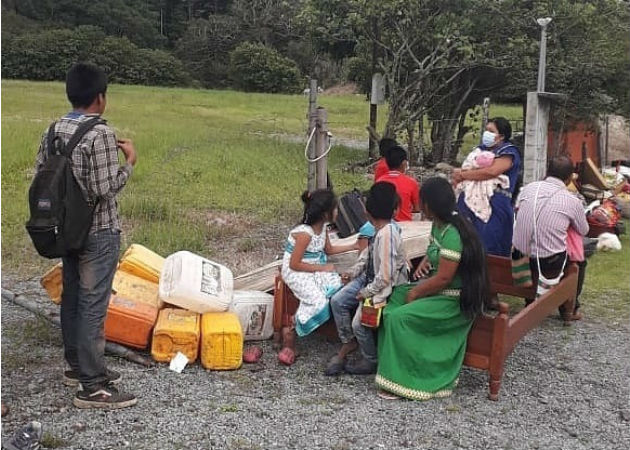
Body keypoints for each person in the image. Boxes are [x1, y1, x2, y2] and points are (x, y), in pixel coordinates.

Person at [34, 63, 137, 409]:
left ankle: (78, 368)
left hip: (67, 230)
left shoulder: (52, 131)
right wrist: (130, 163)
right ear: (100, 98)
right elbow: (104, 188)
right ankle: (92, 387)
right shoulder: (101, 134)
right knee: (94, 304)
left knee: (73, 297)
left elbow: (42, 176)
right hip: (98, 230)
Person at [375, 177, 490, 400]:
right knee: (394, 297)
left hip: (452, 300)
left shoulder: (453, 234)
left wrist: (417, 291)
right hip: (439, 292)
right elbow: (433, 252)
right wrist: (426, 262)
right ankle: (391, 365)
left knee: (401, 317)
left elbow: (444, 278)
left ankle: (408, 379)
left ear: (429, 205)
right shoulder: (438, 227)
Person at [325, 183, 408, 376]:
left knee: (358, 323)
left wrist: (366, 293)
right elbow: (366, 256)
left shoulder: (387, 234)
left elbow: (385, 276)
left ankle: (370, 359)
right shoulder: (377, 229)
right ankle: (349, 342)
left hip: (385, 287)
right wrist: (352, 272)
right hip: (370, 279)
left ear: (368, 210)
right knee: (337, 301)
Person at [279, 189, 358, 366]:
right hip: (297, 271)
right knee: (318, 301)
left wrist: (354, 245)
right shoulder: (304, 233)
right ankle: (291, 327)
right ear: (325, 213)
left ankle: (335, 330)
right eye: (335, 209)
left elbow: (328, 250)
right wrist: (322, 268)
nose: (337, 212)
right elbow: (294, 264)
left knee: (339, 286)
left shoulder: (323, 228)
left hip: (313, 267)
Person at [512, 156, 589, 319]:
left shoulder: (529, 188)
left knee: (533, 241)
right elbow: (584, 230)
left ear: (547, 172)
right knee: (579, 263)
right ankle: (569, 308)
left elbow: (518, 211)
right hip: (549, 262)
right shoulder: (572, 200)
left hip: (519, 255)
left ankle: (530, 300)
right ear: (569, 178)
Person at [453, 117, 521, 256]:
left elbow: (492, 172)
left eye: (491, 131)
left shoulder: (509, 152)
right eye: (486, 130)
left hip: (495, 204)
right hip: (469, 202)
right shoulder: (479, 150)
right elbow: (468, 166)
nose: (486, 133)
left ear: (501, 136)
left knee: (490, 246)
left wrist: (464, 174)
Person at [376, 145, 420, 222]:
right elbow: (417, 209)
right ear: (404, 163)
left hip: (383, 225)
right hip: (405, 225)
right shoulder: (411, 182)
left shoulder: (379, 181)